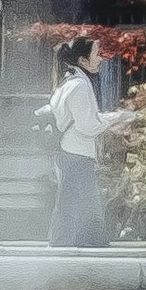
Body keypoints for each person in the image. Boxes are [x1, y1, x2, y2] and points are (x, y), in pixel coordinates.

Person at [40, 33, 110, 250]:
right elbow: (87, 126)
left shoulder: (68, 83)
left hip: (69, 152)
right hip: (77, 152)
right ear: (82, 60)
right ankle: (80, 245)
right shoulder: (79, 85)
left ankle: (72, 243)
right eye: (97, 54)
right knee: (82, 203)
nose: (101, 59)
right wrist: (113, 119)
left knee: (73, 201)